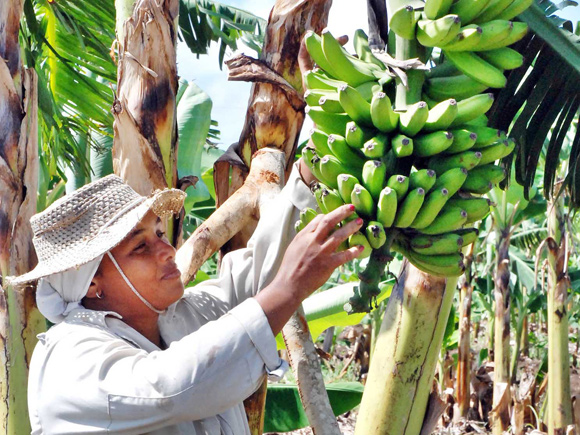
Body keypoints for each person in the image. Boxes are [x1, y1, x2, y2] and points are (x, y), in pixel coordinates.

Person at [8, 159, 363, 434]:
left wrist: (306, 176)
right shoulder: (69, 357)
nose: (166, 249)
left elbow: (253, 277)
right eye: (141, 246)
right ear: (90, 284)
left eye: (160, 233)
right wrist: (288, 289)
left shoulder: (179, 315)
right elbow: (170, 386)